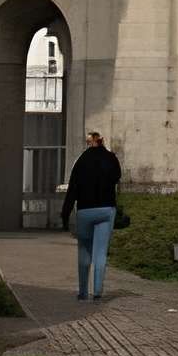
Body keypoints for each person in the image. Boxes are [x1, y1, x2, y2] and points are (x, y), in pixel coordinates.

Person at [60, 129, 122, 301]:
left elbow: (72, 189)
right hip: (106, 209)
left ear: (88, 143)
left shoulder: (81, 160)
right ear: (102, 140)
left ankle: (82, 292)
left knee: (84, 251)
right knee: (101, 253)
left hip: (85, 210)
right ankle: (97, 292)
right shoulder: (111, 158)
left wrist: (65, 215)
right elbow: (117, 177)